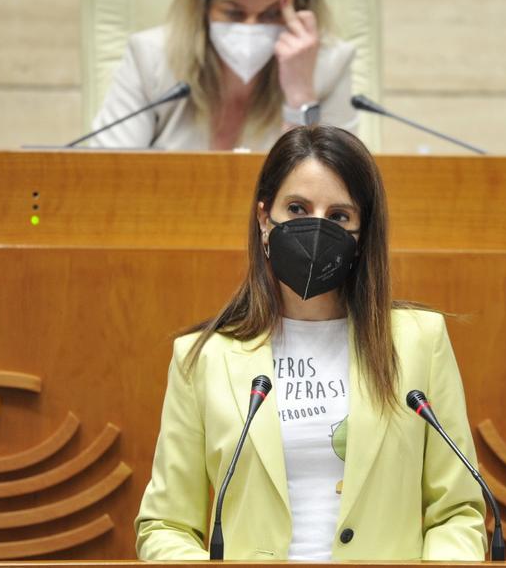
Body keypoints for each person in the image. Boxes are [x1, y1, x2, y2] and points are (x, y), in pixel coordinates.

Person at [135, 125, 487, 561]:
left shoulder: (419, 342)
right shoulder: (203, 357)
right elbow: (165, 525)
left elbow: (457, 513)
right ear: (265, 218)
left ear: (361, 234)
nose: (317, 228)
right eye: (298, 208)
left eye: (339, 216)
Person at [91, 0, 357, 150]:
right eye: (233, 13)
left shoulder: (329, 64)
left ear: (300, 7)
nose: (251, 28)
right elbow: (106, 174)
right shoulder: (150, 57)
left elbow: (338, 191)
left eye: (271, 14)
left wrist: (300, 98)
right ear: (203, 4)